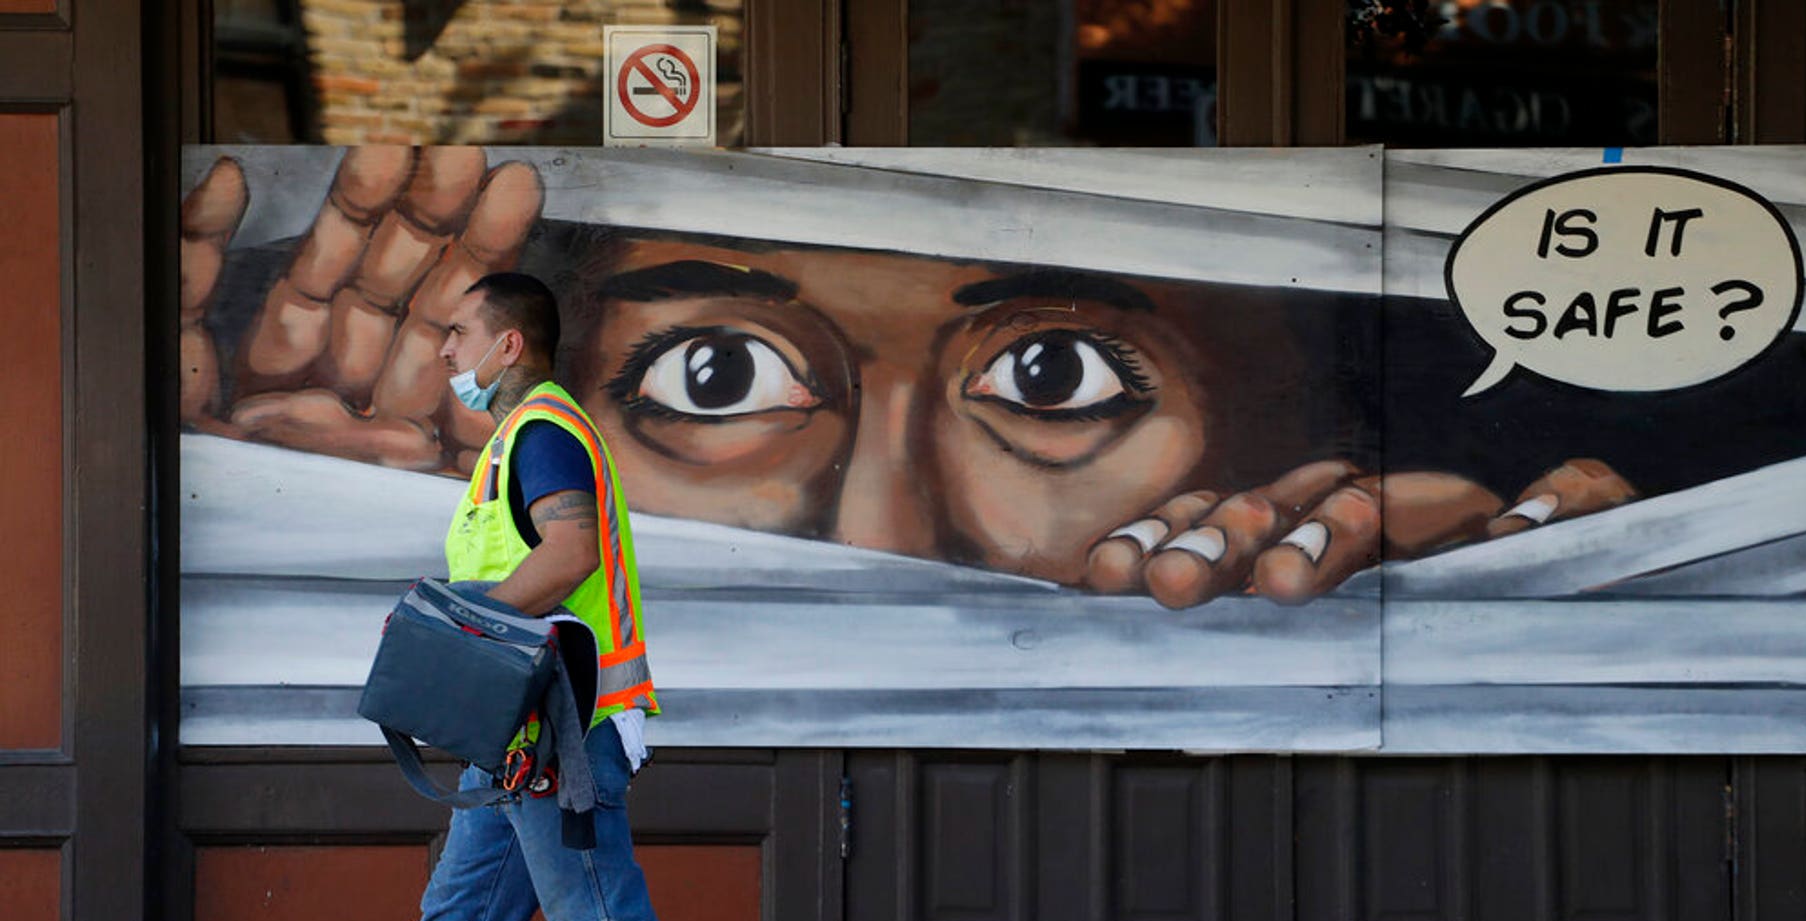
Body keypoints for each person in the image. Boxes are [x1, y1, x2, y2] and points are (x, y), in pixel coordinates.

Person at [180, 146, 1636, 609]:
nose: (882, 545)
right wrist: (266, 545)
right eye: (709, 376)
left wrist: (1464, 629)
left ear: (1260, 429)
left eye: (1055, 376)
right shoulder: (525, 448)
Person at [342, 272, 707, 921]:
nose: (444, 350)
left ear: (507, 345)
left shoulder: (543, 433)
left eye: (460, 334)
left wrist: (455, 635)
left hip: (562, 734)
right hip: (519, 735)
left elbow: (569, 552)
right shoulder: (514, 443)